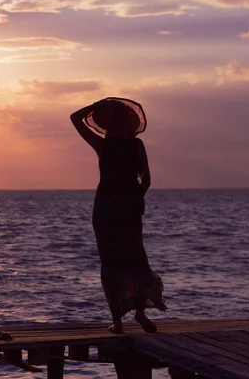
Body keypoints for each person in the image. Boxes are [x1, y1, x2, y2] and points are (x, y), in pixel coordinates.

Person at [70, 97, 166, 334]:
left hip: (106, 208)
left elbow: (75, 118)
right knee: (136, 259)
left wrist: (96, 105)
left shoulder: (103, 145)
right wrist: (136, 199)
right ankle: (140, 314)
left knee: (111, 262)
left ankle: (119, 322)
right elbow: (147, 179)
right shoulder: (136, 145)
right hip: (128, 207)